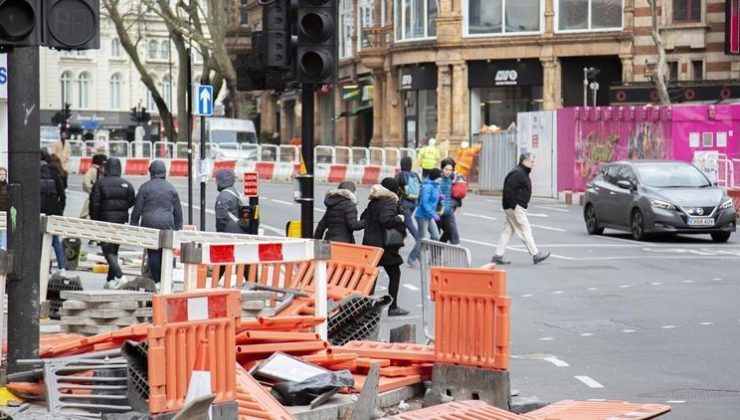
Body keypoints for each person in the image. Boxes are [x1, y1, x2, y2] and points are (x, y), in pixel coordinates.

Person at [491, 153, 551, 265]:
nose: (533, 164)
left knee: (507, 231)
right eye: (532, 161)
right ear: (525, 161)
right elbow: (509, 190)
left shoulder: (521, 172)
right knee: (525, 229)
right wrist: (514, 206)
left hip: (513, 207)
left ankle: (497, 256)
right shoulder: (518, 173)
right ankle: (535, 254)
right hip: (516, 208)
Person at [130, 160, 183, 286]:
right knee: (166, 252)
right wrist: (178, 227)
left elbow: (137, 208)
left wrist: (134, 224)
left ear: (151, 172)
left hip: (149, 223)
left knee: (153, 251)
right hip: (167, 224)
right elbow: (178, 211)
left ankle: (157, 281)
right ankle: (167, 280)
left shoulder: (145, 187)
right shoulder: (171, 188)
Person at [361, 177, 409, 316]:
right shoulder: (389, 200)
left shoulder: (374, 201)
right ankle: (393, 307)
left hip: (371, 244)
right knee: (395, 274)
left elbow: (364, 217)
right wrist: (398, 218)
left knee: (371, 277)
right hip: (384, 246)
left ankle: (365, 307)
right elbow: (385, 220)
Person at [90, 158, 136, 288]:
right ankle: (110, 279)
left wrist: (95, 221)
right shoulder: (126, 184)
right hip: (120, 220)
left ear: (106, 168)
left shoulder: (100, 184)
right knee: (114, 249)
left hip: (104, 220)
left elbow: (94, 204)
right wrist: (122, 209)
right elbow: (132, 201)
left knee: (106, 249)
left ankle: (121, 276)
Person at [407, 168, 442, 267]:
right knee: (422, 238)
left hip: (429, 216)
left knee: (435, 236)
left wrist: (441, 197)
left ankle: (424, 254)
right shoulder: (427, 187)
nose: (441, 179)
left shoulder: (436, 186)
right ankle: (412, 257)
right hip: (422, 216)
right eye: (440, 177)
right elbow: (424, 203)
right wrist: (434, 214)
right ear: (436, 177)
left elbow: (435, 198)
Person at [40, 150, 67, 274]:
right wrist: (59, 210)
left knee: (38, 240)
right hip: (54, 210)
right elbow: (62, 195)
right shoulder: (54, 172)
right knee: (55, 240)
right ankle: (62, 268)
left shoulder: (32, 172)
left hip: (38, 210)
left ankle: (44, 267)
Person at [395, 156, 421, 265]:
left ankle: (419, 242)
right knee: (402, 226)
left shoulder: (400, 175)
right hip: (413, 203)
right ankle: (418, 254)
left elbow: (395, 189)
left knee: (408, 225)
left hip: (404, 204)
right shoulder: (415, 175)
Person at [214, 169, 245, 233]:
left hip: (230, 233)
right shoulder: (235, 192)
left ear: (221, 181)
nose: (216, 183)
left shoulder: (224, 196)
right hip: (241, 230)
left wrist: (220, 233)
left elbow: (221, 218)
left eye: (217, 180)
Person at [437, 158, 460, 245]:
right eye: (446, 169)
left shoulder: (452, 179)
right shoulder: (438, 179)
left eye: (450, 170)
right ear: (442, 168)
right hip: (438, 211)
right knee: (435, 235)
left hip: (448, 210)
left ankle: (436, 252)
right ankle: (423, 251)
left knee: (449, 231)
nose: (448, 172)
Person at [81, 154, 107, 219]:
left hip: (93, 199)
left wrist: (94, 191)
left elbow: (86, 183)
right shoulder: (106, 170)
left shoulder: (92, 170)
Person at [0, 168, 7, 250]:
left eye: (3, 174)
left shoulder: (7, 187)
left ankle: (3, 248)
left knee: (3, 231)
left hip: (4, 211)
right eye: (0, 174)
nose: (2, 176)